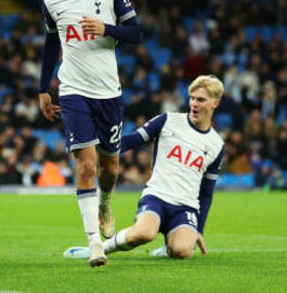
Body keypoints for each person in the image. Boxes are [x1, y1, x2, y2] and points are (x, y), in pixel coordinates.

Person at [39, 0, 142, 267]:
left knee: (109, 167)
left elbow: (136, 33)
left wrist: (106, 29)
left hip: (108, 93)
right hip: (72, 92)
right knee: (85, 164)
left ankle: (104, 203)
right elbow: (51, 43)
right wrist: (44, 87)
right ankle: (95, 243)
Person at [63, 75, 225, 261]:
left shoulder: (217, 145)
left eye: (201, 100)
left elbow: (206, 193)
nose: (194, 103)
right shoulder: (168, 121)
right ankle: (96, 249)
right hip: (157, 197)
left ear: (215, 103)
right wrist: (97, 144)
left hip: (186, 207)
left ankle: (167, 248)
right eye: (192, 98)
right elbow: (132, 140)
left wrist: (199, 230)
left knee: (183, 251)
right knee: (144, 234)